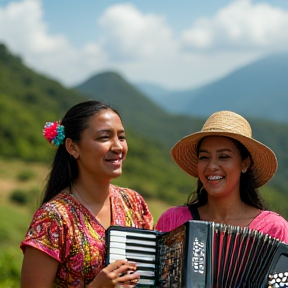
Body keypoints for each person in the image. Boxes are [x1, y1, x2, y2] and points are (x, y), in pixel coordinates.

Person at [20, 100, 154, 288]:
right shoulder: (53, 218)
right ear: (73, 147)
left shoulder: (133, 203)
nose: (118, 147)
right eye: (104, 137)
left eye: (121, 137)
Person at [156, 110, 288, 243]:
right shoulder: (174, 221)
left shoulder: (273, 229)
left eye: (224, 157)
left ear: (245, 164)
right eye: (204, 157)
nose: (212, 166)